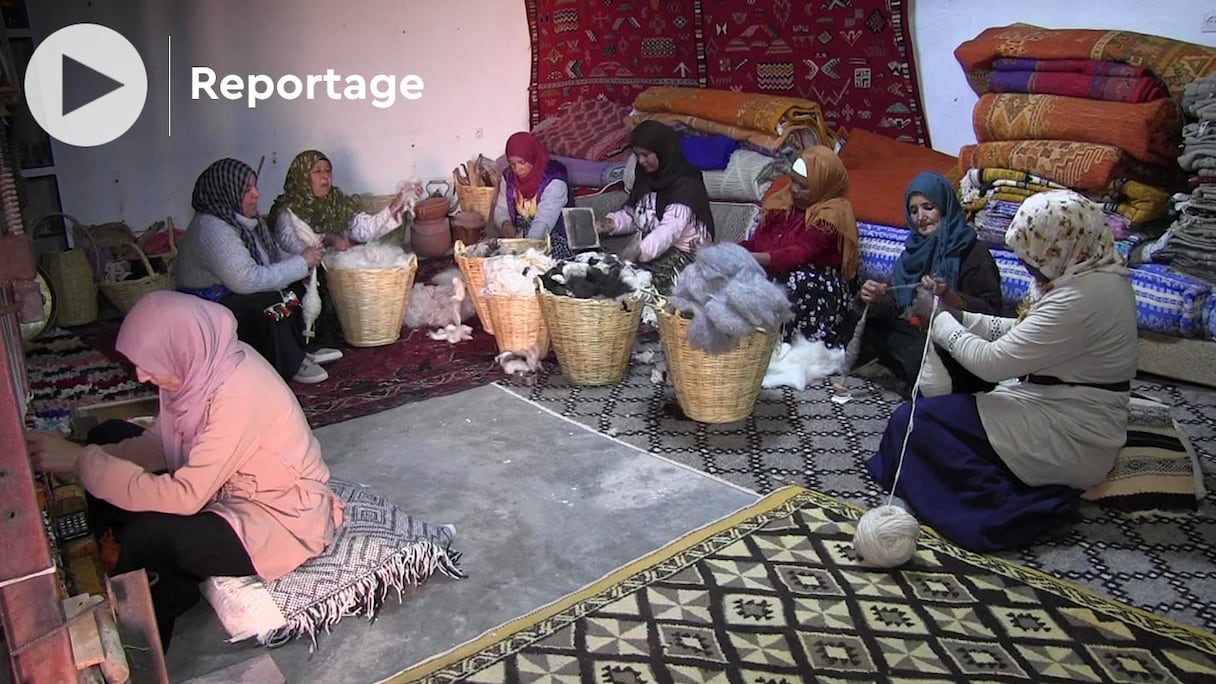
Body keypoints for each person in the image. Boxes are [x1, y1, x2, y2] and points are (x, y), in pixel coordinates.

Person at [24, 292, 342, 649]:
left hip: (277, 516)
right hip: (225, 488)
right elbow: (164, 442)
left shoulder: (239, 392)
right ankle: (120, 554)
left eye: (149, 363)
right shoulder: (198, 365)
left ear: (181, 347)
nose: (142, 375)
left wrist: (81, 463)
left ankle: (141, 644)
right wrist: (88, 456)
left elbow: (187, 497)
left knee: (151, 536)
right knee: (106, 436)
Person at [867, 190, 1138, 552]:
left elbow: (992, 363)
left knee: (912, 423)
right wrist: (961, 317)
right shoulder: (1089, 272)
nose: (1026, 264)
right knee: (919, 423)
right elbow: (1022, 331)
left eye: (1031, 255)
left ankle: (1021, 509)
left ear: (1058, 245)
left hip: (1072, 435)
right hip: (1054, 402)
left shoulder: (1080, 298)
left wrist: (942, 318)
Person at [175, 157, 331, 384]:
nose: (256, 194)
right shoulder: (212, 227)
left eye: (254, 186)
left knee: (298, 288)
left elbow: (271, 259)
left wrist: (305, 257)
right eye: (247, 189)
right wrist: (301, 262)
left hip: (232, 292)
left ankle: (300, 349)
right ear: (226, 190)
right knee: (271, 302)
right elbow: (246, 280)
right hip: (208, 306)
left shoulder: (242, 221)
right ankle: (290, 363)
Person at [853, 171, 1002, 394]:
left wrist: (949, 298)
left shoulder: (972, 251)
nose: (920, 217)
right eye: (913, 211)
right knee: (856, 319)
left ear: (945, 207)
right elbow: (896, 305)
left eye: (928, 208)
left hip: (954, 340)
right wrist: (876, 297)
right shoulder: (913, 251)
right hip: (916, 330)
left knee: (919, 350)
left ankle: (918, 378)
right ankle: (908, 372)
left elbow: (992, 313)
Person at [267, 149, 411, 353]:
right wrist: (331, 239)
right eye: (317, 171)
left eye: (328, 170)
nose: (325, 176)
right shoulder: (288, 212)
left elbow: (364, 229)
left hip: (334, 277)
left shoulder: (335, 202)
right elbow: (298, 249)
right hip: (300, 282)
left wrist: (396, 205)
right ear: (302, 176)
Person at [742, 146, 859, 346]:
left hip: (815, 285)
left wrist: (756, 258)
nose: (794, 189)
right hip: (778, 269)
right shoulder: (781, 203)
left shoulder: (831, 215)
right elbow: (758, 243)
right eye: (793, 181)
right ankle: (753, 345)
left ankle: (792, 345)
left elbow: (802, 252)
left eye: (803, 186)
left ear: (823, 186)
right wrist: (724, 251)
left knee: (793, 282)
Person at [596, 120, 714, 294]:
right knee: (603, 273)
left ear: (662, 151)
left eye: (646, 155)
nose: (641, 161)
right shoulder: (646, 177)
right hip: (654, 250)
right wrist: (610, 223)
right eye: (637, 156)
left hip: (684, 257)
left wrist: (640, 250)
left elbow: (670, 229)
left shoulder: (686, 184)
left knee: (640, 289)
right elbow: (637, 216)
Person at [490, 131, 576, 259]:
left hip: (551, 236)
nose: (517, 169)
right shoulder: (508, 176)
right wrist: (506, 225)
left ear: (532, 157)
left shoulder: (554, 178)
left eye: (522, 162)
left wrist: (525, 250)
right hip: (518, 237)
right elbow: (501, 209)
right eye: (512, 164)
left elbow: (544, 222)